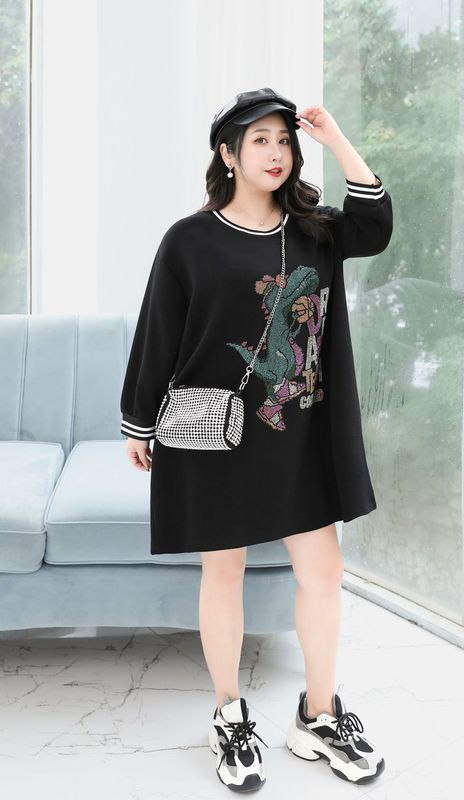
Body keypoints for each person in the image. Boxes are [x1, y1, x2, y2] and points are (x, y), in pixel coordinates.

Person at [120, 87, 393, 792]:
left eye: (284, 140)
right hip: (215, 436)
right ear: (228, 154)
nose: (276, 153)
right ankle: (230, 713)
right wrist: (139, 421)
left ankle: (319, 715)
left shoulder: (315, 232)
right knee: (224, 572)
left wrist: (334, 139)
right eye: (260, 140)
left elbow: (375, 224)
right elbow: (157, 332)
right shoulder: (189, 239)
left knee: (322, 573)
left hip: (301, 435)